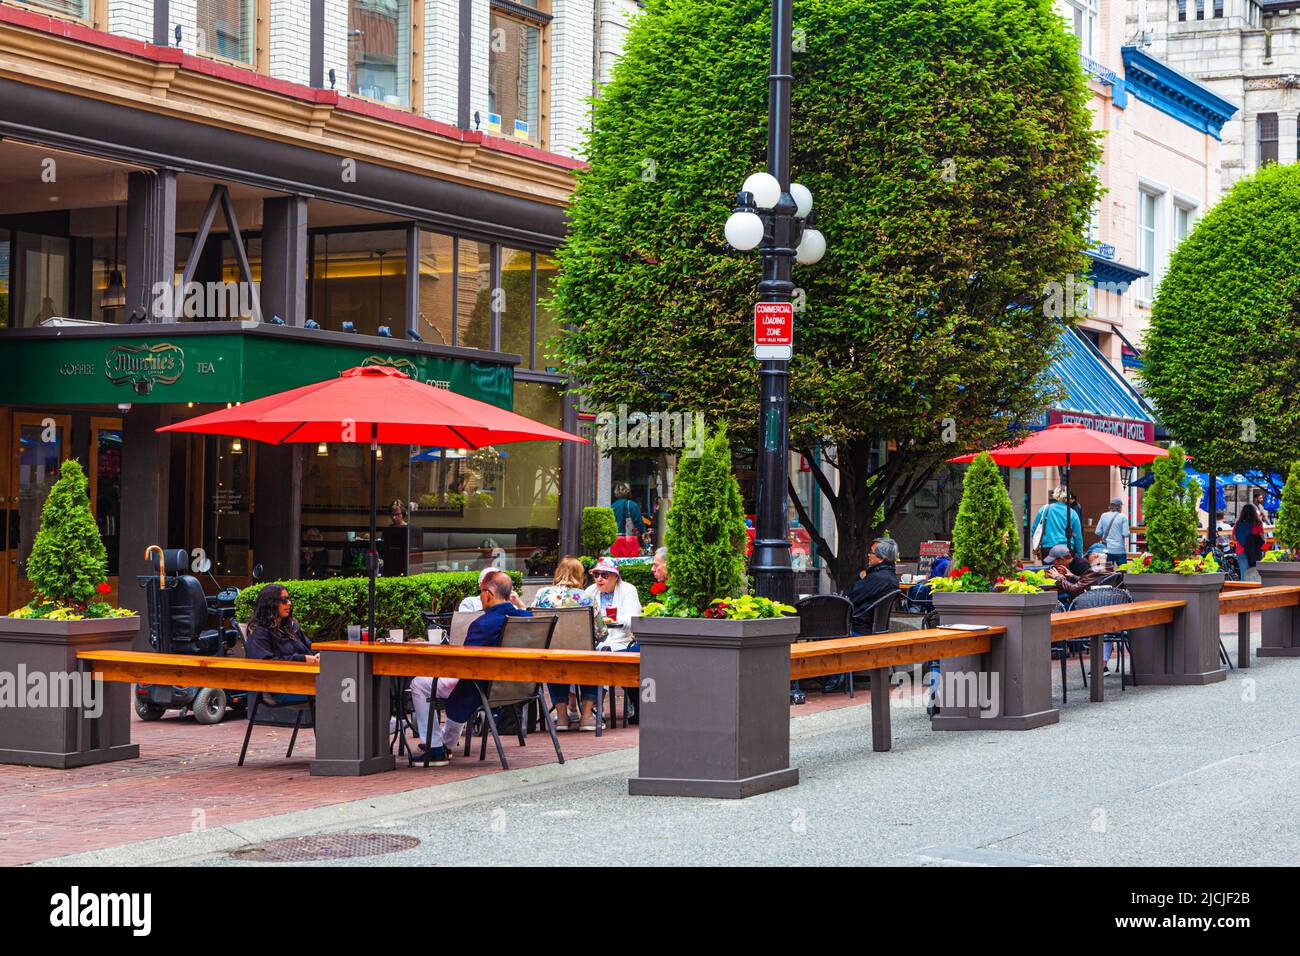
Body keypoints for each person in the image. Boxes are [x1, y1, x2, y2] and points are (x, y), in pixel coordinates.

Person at [409, 571, 531, 765]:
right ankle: (445, 744)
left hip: (480, 687)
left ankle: (434, 747)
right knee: (458, 682)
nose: (480, 596)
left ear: (488, 594)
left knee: (420, 683)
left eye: (481, 591)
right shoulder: (526, 619)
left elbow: (462, 664)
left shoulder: (484, 623)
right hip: (518, 688)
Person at [533, 556, 603, 731]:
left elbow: (534, 623)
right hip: (582, 656)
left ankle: (562, 717)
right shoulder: (587, 597)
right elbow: (601, 633)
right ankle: (587, 717)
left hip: (553, 654)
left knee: (554, 663)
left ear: (558, 572)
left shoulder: (542, 594)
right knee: (594, 659)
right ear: (580, 575)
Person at [586, 556, 643, 722]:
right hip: (595, 641)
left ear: (615, 577)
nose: (599, 579)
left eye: (604, 575)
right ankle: (577, 707)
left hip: (621, 641)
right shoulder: (590, 591)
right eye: (596, 575)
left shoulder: (628, 590)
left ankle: (594, 708)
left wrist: (608, 622)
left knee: (604, 656)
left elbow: (633, 619)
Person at [245, 583, 319, 665]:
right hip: (283, 676)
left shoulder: (290, 627)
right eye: (284, 600)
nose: (289, 603)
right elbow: (263, 662)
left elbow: (310, 647)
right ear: (270, 603)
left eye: (289, 599)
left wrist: (318, 654)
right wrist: (302, 659)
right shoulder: (259, 632)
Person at [848, 538, 900, 634]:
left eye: (872, 552)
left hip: (858, 629)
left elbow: (851, 598)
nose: (868, 555)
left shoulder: (878, 578)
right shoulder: (889, 577)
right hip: (871, 627)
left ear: (881, 559)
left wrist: (860, 578)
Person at [1031, 487, 1084, 561]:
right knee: (1064, 571)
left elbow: (1034, 529)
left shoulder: (1044, 509)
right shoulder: (1072, 513)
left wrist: (1037, 546)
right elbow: (1077, 536)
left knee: (1049, 571)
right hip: (1066, 548)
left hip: (1047, 548)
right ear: (1066, 498)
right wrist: (1079, 554)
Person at [1233, 503, 1267, 582]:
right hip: (1255, 552)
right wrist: (1265, 550)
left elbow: (1234, 538)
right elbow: (1262, 539)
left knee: (1244, 575)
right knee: (1255, 575)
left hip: (1241, 551)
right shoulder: (1258, 523)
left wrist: (1243, 539)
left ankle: (1243, 592)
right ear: (1254, 512)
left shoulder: (1238, 523)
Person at [1095, 498, 1129, 569]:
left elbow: (1097, 532)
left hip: (1106, 549)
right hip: (1119, 550)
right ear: (1119, 507)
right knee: (1123, 572)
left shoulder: (1103, 515)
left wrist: (1105, 534)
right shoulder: (1123, 517)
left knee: (1107, 573)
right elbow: (1125, 534)